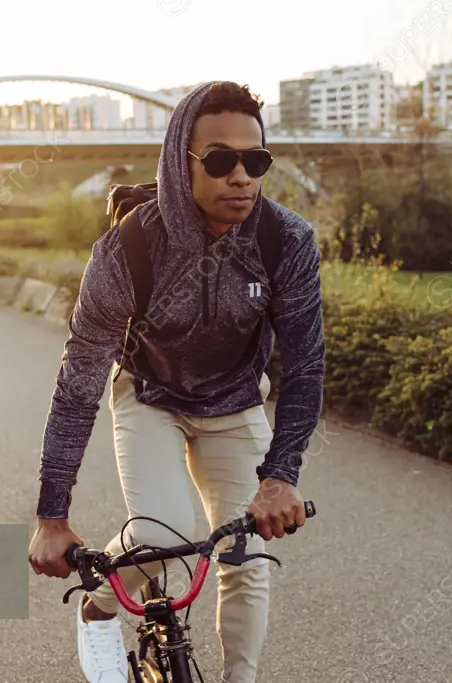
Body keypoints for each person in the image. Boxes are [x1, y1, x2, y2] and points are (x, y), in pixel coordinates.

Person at [27, 81, 325, 683]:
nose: (242, 176)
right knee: (164, 532)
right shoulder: (127, 249)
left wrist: (280, 477)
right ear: (178, 160)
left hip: (235, 400)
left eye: (256, 160)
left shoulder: (285, 240)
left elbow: (305, 365)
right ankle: (99, 606)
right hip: (150, 396)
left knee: (247, 557)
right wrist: (52, 517)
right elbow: (79, 383)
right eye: (220, 160)